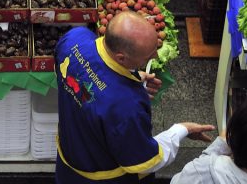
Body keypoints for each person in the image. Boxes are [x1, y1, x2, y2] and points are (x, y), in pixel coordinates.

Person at [54, 11, 215, 183]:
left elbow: (78, 77)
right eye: (149, 55)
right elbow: (145, 161)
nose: (155, 56)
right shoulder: (126, 107)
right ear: (121, 58)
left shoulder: (74, 39)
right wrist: (182, 130)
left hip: (68, 165)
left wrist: (129, 77)